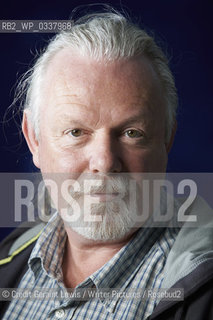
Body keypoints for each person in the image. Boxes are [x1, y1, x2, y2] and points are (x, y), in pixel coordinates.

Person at [0, 8, 213, 320]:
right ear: (34, 139)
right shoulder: (10, 261)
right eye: (76, 132)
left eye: (131, 133)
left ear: (166, 140)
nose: (104, 161)